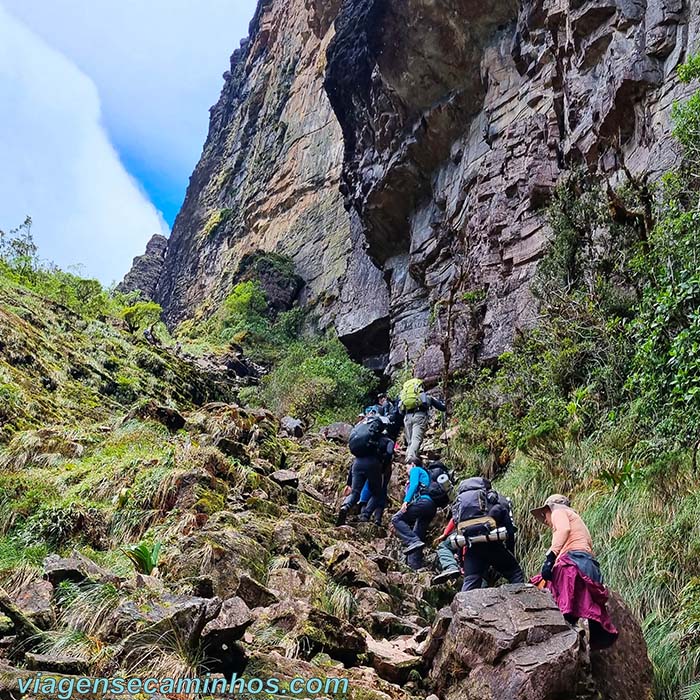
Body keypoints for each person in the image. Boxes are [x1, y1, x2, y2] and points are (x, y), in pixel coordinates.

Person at [530, 494, 618, 649]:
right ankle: (582, 635)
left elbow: (563, 529)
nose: (544, 519)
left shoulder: (558, 511)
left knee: (547, 592)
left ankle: (567, 634)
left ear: (551, 508)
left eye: (544, 514)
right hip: (587, 564)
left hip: (572, 564)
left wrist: (550, 557)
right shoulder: (577, 520)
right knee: (577, 605)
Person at [432, 477, 524, 590]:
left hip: (472, 550)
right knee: (515, 573)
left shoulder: (460, 505)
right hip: (494, 545)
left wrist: (461, 561)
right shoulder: (493, 498)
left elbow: (460, 535)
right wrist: (510, 550)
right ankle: (519, 604)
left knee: (470, 584)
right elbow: (509, 529)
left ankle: (463, 606)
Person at [336, 418, 394, 526]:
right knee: (377, 493)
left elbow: (352, 465)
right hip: (373, 465)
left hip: (357, 463)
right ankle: (366, 515)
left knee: (355, 493)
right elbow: (390, 453)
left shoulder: (363, 443)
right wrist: (383, 464)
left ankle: (345, 507)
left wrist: (349, 483)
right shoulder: (387, 440)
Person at [390, 458, 438, 570]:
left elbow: (415, 484)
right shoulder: (427, 475)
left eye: (407, 468)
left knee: (396, 518)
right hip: (431, 507)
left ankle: (413, 541)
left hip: (423, 502)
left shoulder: (416, 469)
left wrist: (405, 501)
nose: (406, 471)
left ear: (412, 464)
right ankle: (415, 566)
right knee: (418, 533)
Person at [398, 378, 446, 463]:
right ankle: (410, 460)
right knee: (416, 440)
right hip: (419, 416)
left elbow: (399, 410)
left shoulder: (406, 398)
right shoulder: (425, 397)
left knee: (410, 442)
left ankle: (407, 459)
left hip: (407, 417)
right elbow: (442, 407)